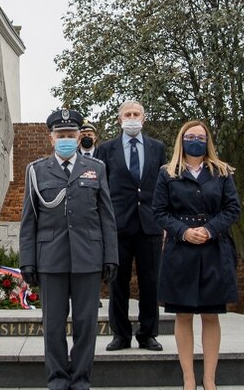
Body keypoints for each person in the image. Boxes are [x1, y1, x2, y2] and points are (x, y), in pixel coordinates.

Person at [19, 109, 118, 390]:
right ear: (51, 139)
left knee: (86, 324)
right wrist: (28, 261)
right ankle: (58, 379)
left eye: (70, 135)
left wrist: (111, 256)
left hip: (89, 258)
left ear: (78, 138)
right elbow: (28, 220)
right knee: (52, 325)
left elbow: (106, 216)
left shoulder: (96, 169)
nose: (66, 139)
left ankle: (81, 379)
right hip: (50, 259)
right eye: (60, 135)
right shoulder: (36, 170)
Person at [153, 121, 241, 390]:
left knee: (211, 315)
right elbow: (159, 211)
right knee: (183, 315)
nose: (195, 141)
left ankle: (210, 379)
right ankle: (188, 377)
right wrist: (183, 231)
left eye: (200, 137)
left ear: (208, 141)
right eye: (190, 136)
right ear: (182, 140)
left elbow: (232, 208)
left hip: (214, 249)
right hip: (181, 252)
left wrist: (209, 229)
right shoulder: (167, 173)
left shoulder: (222, 172)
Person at [93, 100, 167, 351]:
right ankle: (120, 335)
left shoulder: (158, 148)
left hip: (150, 225)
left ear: (144, 118)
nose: (132, 117)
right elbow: (99, 188)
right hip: (117, 226)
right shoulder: (105, 149)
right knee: (117, 282)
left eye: (137, 114)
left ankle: (148, 334)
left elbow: (163, 186)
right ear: (119, 119)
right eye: (128, 114)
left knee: (150, 283)